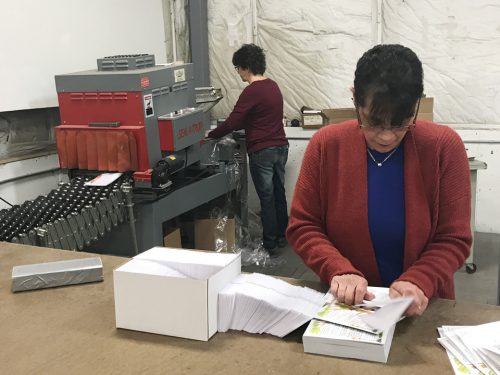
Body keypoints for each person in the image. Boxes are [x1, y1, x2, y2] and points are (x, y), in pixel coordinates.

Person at [286, 44, 472, 317]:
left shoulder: (444, 147)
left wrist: (420, 278)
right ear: (355, 100)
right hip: (348, 307)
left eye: (400, 123)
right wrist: (338, 269)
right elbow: (304, 226)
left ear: (417, 104)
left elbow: (454, 238)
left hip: (422, 308)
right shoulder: (326, 145)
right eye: (373, 122)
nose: (386, 136)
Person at [207, 44, 289, 252]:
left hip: (263, 151)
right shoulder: (273, 86)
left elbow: (233, 121)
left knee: (267, 198)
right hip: (281, 147)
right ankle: (281, 236)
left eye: (237, 68)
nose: (238, 73)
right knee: (279, 194)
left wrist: (210, 134)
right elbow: (258, 118)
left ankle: (270, 244)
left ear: (245, 67)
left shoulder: (252, 91)